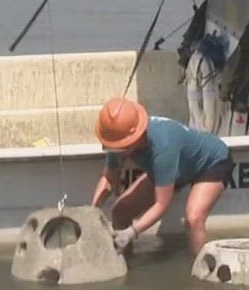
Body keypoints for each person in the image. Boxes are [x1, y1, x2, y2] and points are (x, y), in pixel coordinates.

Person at [89, 97, 233, 257]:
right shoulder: (118, 138)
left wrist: (131, 233)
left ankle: (199, 273)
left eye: (120, 148)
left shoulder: (162, 147)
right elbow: (108, 179)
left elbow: (161, 205)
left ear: (135, 138)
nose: (114, 151)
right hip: (177, 167)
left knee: (193, 219)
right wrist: (91, 212)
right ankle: (124, 264)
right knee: (120, 211)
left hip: (211, 162)